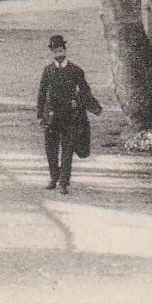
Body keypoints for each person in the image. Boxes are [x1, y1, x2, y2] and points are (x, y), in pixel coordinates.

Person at [36, 34, 100, 194]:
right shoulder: (48, 71)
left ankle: (63, 182)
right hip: (51, 116)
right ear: (52, 53)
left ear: (65, 50)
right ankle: (53, 177)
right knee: (51, 149)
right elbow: (42, 94)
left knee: (67, 149)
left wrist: (78, 102)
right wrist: (40, 114)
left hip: (70, 116)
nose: (58, 54)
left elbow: (85, 91)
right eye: (55, 51)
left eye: (60, 50)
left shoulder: (76, 70)